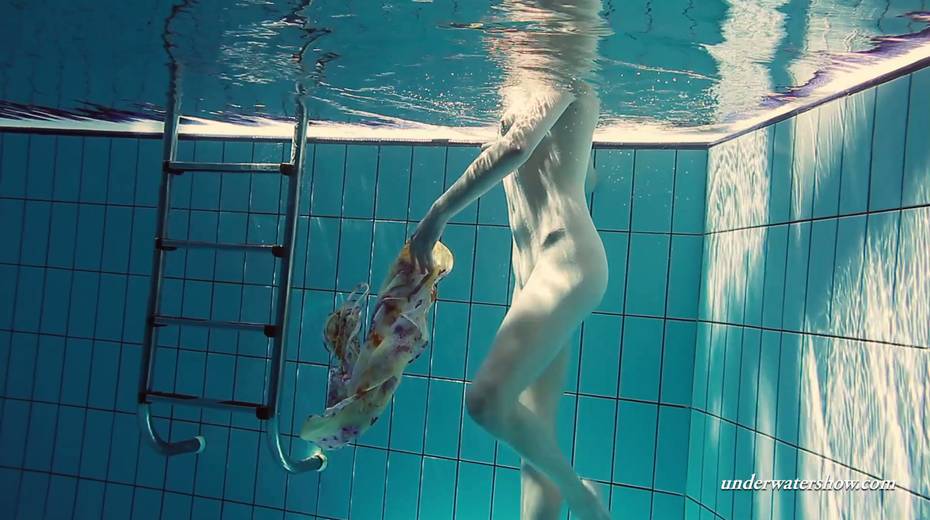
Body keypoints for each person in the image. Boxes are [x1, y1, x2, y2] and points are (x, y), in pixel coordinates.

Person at [409, 1, 611, 518]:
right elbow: (576, 173)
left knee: (486, 402)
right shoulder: (547, 85)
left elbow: (517, 147)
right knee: (534, 437)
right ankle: (562, 496)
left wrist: (437, 215)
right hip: (540, 271)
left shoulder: (559, 72)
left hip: (565, 262)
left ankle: (582, 496)